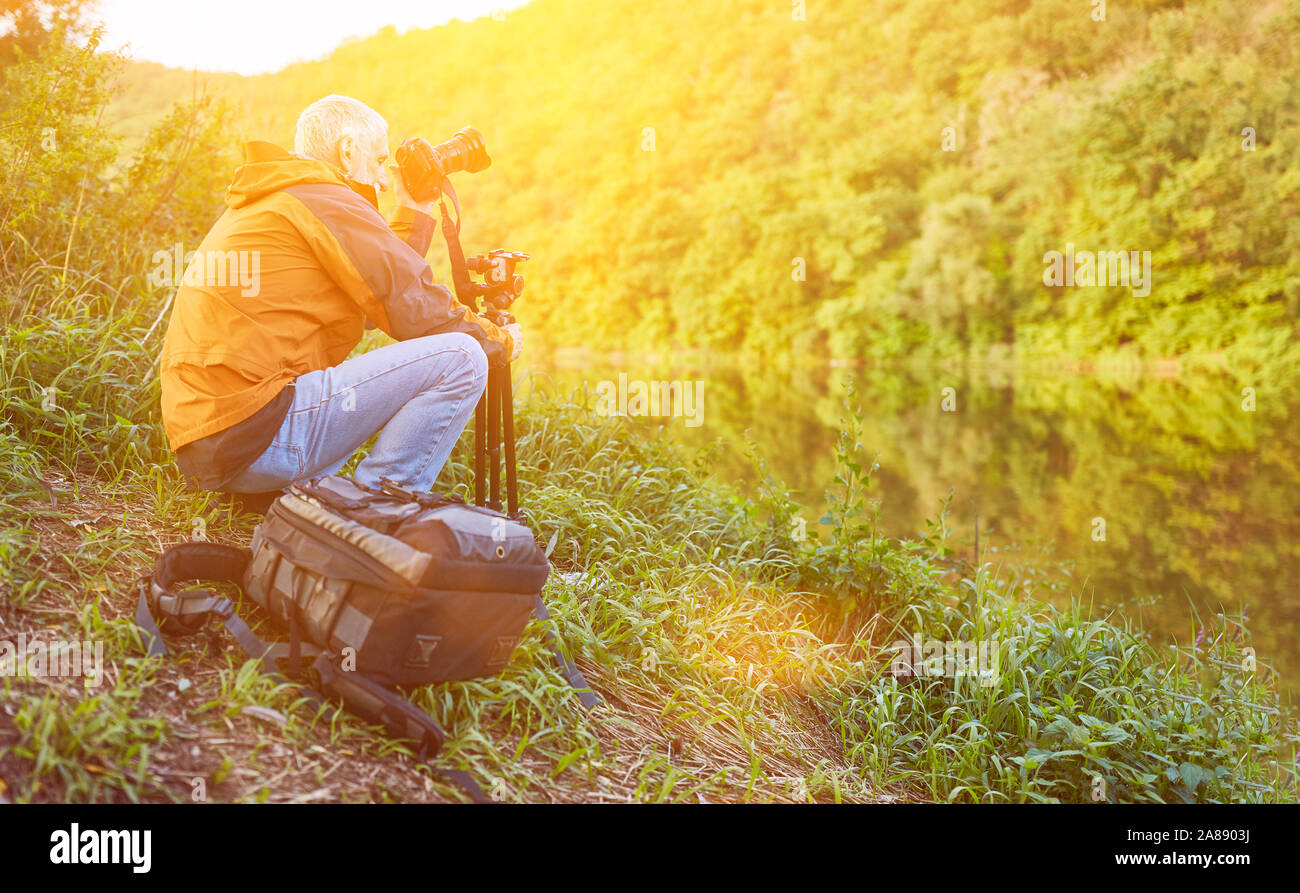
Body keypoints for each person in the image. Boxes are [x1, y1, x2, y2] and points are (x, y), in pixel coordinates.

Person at [159, 94, 519, 498]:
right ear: (348, 151)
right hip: (255, 433)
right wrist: (497, 339)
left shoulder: (282, 195)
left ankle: (296, 498)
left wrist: (413, 211)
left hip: (212, 444)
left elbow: (373, 296)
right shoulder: (322, 197)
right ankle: (378, 509)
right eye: (380, 161)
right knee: (462, 357)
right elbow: (410, 304)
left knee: (457, 350)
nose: (384, 179)